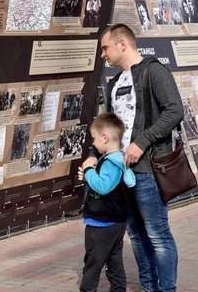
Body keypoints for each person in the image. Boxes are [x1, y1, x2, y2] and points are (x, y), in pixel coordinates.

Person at [84, 23, 183, 292]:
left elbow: (175, 110)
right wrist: (94, 156)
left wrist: (142, 141)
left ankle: (166, 289)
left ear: (122, 44)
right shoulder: (114, 83)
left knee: (157, 235)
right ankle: (149, 287)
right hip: (121, 174)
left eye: (105, 47)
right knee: (137, 236)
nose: (102, 54)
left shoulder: (154, 71)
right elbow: (106, 128)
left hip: (148, 170)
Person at [77, 113, 136, 292]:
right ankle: (118, 289)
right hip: (116, 223)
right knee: (114, 262)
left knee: (92, 265)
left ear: (105, 137)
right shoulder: (120, 159)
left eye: (94, 139)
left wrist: (88, 170)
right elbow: (120, 184)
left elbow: (103, 187)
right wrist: (89, 177)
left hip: (101, 223)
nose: (93, 143)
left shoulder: (111, 162)